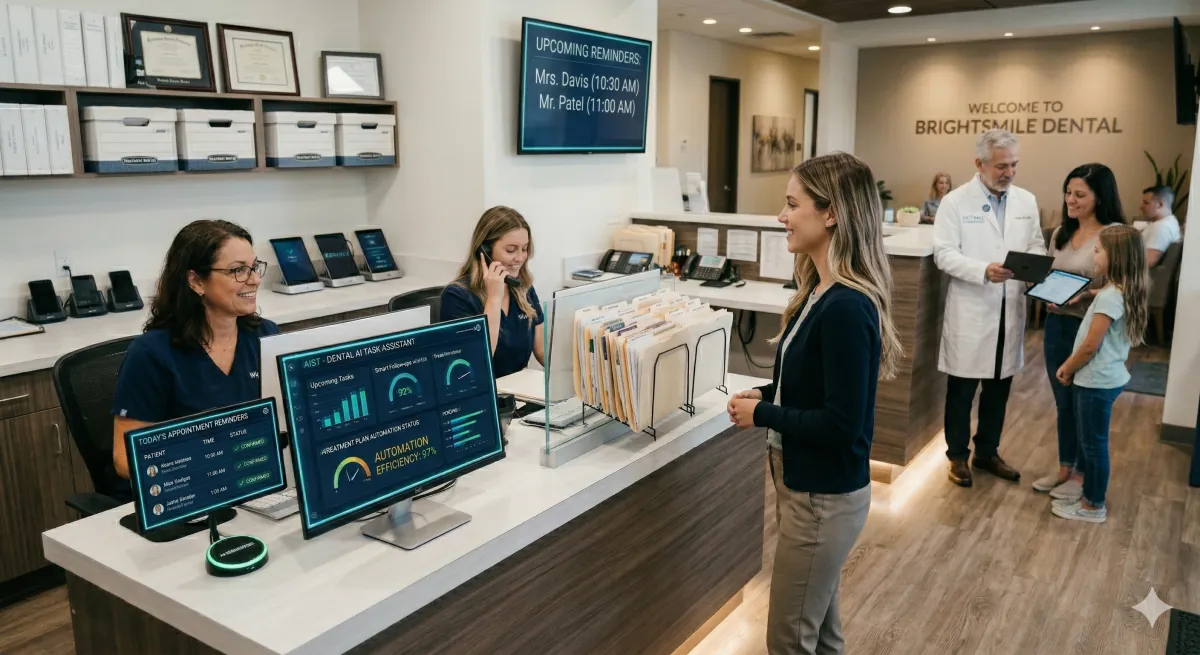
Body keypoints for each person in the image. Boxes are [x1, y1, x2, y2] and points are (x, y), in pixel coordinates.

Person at [727, 153, 900, 655]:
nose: (782, 216)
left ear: (831, 214)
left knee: (789, 638)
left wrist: (762, 414)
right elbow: (806, 386)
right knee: (821, 631)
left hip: (823, 498)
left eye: (791, 203)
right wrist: (763, 394)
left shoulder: (847, 306)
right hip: (804, 488)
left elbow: (842, 425)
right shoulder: (816, 291)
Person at [111, 220, 278, 481]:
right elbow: (125, 459)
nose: (254, 280)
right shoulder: (151, 354)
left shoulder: (265, 336)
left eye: (254, 267)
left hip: (251, 480)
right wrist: (206, 467)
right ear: (196, 281)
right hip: (187, 492)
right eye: (238, 271)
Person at [933, 128, 1047, 487]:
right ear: (979, 164)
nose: (1009, 173)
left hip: (1009, 309)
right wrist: (982, 270)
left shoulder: (1026, 201)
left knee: (998, 391)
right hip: (972, 308)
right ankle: (956, 457)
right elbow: (944, 253)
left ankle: (987, 452)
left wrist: (1035, 269)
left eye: (1014, 165)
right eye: (1001, 166)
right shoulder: (955, 202)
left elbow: (1037, 245)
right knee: (962, 394)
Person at [1032, 164, 1123, 499]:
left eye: (1080, 194)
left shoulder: (1115, 235)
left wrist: (1083, 295)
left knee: (1084, 404)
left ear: (1100, 197)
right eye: (1068, 193)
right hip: (1057, 325)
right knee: (1063, 401)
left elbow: (1126, 287)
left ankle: (1082, 476)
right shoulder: (1060, 234)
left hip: (1090, 330)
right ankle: (1065, 467)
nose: (1071, 200)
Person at [1051, 225, 1148, 523]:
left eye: (1098, 250)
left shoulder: (1109, 298)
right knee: (1094, 441)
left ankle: (1093, 506)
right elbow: (1104, 295)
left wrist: (1068, 366)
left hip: (1094, 380)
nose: (1093, 253)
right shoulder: (1122, 289)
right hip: (1109, 378)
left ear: (1114, 258)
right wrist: (1085, 295)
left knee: (1093, 445)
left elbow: (1091, 345)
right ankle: (1089, 497)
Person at [440, 206, 545, 379]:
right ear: (485, 251)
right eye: (510, 250)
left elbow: (542, 351)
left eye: (524, 248)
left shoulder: (523, 288)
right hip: (482, 395)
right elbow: (476, 362)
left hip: (520, 394)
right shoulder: (457, 296)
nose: (519, 258)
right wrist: (494, 299)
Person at [1139, 185, 1182, 268]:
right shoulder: (1171, 221)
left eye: (1146, 203)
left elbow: (1148, 262)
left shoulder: (1161, 228)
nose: (1141, 206)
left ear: (1160, 204)